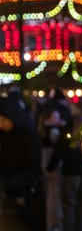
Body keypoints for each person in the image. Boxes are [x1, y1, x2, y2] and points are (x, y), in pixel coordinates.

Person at [0, 95, 46, 231]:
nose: (1, 124)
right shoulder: (3, 136)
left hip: (26, 200)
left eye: (3, 120)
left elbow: (34, 170)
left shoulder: (30, 138)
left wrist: (7, 183)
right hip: (6, 201)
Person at [47, 111, 82, 231]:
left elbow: (59, 151)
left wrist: (50, 167)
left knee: (69, 205)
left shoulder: (68, 131)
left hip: (71, 172)